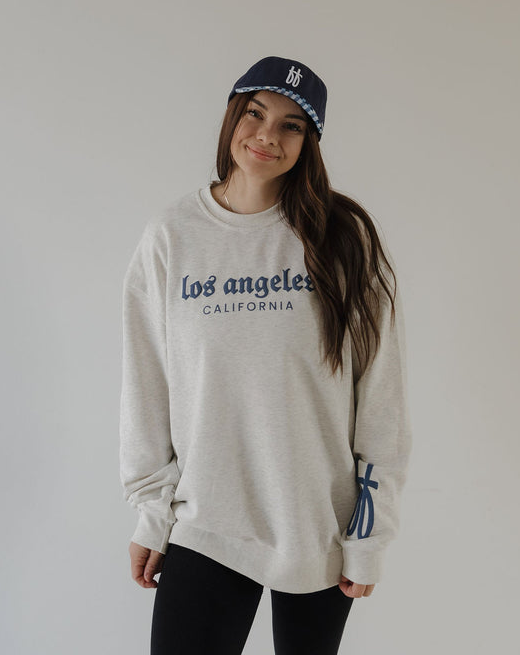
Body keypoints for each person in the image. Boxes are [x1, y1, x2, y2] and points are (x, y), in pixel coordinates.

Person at [119, 55, 412, 655]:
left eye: (291, 125)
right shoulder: (171, 236)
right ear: (232, 116)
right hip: (207, 522)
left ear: (311, 142)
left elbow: (381, 402)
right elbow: (146, 386)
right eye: (255, 114)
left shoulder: (343, 240)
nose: (266, 136)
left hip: (317, 530)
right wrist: (152, 514)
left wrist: (367, 537)